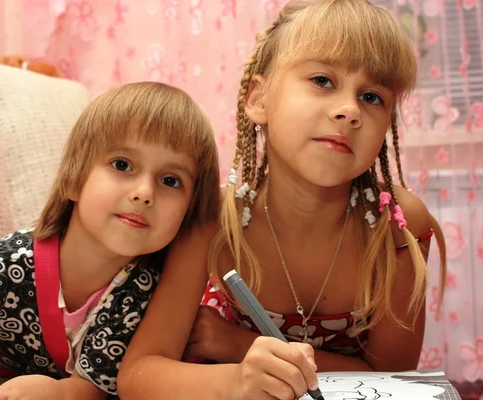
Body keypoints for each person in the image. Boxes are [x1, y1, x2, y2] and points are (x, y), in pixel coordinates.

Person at [117, 1, 447, 399]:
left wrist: (236, 345)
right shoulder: (213, 219)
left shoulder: (399, 224)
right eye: (323, 80)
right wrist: (235, 380)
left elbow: (392, 381)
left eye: (372, 97)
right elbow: (138, 375)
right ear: (258, 99)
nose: (349, 111)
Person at [0, 82, 220, 400]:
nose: (145, 193)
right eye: (122, 164)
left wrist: (57, 393)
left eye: (170, 180)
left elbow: (95, 388)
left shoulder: (149, 293)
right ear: (74, 179)